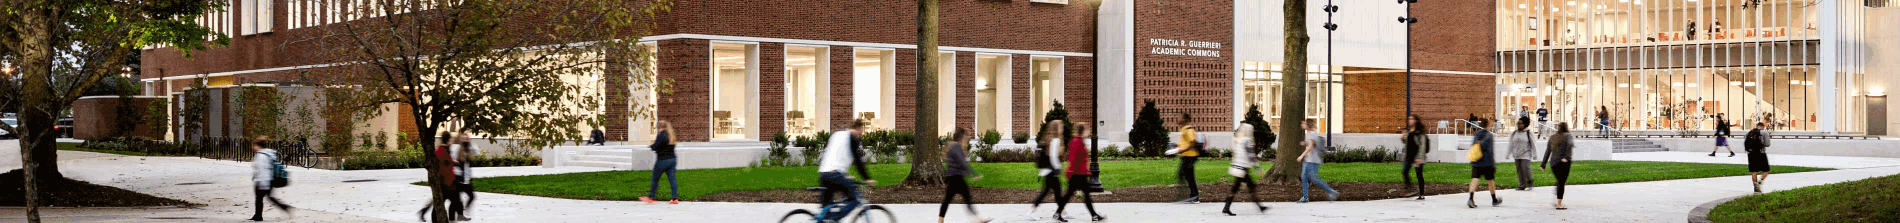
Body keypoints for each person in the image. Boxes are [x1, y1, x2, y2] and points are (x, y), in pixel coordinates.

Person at [816, 120, 875, 222]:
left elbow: (836, 156)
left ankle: (827, 219)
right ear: (858, 128)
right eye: (861, 132)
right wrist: (867, 178)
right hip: (835, 176)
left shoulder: (836, 135)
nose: (860, 135)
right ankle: (835, 219)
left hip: (824, 174)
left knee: (826, 210)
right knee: (854, 199)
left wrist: (845, 175)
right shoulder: (852, 137)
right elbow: (858, 161)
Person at [938, 127, 992, 223]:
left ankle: (940, 219)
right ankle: (978, 219)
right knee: (967, 198)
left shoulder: (952, 146)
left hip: (952, 177)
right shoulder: (956, 147)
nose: (966, 140)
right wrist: (973, 174)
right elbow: (962, 162)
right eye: (966, 138)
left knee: (948, 199)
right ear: (962, 137)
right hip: (957, 178)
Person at [1055, 123, 1106, 222]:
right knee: (1074, 195)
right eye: (1087, 130)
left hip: (1080, 173)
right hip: (1077, 174)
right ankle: (1094, 215)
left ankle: (1093, 215)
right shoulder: (1076, 141)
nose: (1088, 132)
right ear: (1082, 131)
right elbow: (1073, 158)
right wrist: (1070, 171)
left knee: (1074, 195)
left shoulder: (1079, 141)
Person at [1221, 123, 1268, 216]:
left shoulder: (1240, 140)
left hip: (1237, 168)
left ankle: (1226, 207)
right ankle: (1260, 206)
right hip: (1242, 169)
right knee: (1250, 188)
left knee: (1237, 188)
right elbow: (1251, 156)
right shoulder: (1247, 141)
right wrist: (1258, 168)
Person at [1027, 122, 1070, 220]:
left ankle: (1062, 212)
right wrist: (1058, 167)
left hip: (1046, 170)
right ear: (1057, 129)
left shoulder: (1047, 139)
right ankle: (1033, 211)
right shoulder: (1055, 140)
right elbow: (1053, 157)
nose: (1062, 129)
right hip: (1052, 171)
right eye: (1060, 127)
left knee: (1049, 192)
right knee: (1054, 192)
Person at [417, 132, 461, 221]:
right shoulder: (442, 150)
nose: (452, 142)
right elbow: (443, 163)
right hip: (446, 182)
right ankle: (447, 220)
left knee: (439, 201)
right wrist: (453, 162)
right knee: (448, 202)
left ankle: (424, 211)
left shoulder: (442, 149)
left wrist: (453, 162)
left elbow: (446, 161)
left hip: (446, 181)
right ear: (448, 140)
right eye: (451, 140)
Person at [250, 136, 295, 221]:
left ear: (258, 146)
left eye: (254, 146)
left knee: (260, 198)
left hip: (264, 180)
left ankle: (258, 216)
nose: (253, 148)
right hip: (268, 179)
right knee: (267, 197)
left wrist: (264, 184)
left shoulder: (261, 155)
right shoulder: (268, 153)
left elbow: (264, 170)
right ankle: (284, 207)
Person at [1296, 119, 1338, 203]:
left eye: (1304, 123)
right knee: (1304, 177)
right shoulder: (1310, 135)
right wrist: (1305, 144)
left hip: (1313, 160)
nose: (1302, 124)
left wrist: (1301, 155)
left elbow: (1311, 147)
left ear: (1308, 125)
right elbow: (1311, 145)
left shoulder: (1312, 135)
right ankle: (1305, 197)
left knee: (1314, 178)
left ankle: (1332, 191)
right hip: (1309, 160)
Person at [641, 121, 682, 204]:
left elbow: (655, 146)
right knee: (672, 179)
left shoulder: (661, 135)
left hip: (662, 160)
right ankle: (675, 198)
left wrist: (651, 146)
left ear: (659, 127)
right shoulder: (671, 135)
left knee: (655, 178)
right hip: (672, 160)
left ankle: (651, 197)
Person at [1466, 117, 1502, 208]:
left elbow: (1474, 146)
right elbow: (1490, 150)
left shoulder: (1476, 134)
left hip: (1477, 161)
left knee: (1475, 179)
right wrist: (1493, 163)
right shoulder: (1489, 136)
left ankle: (1471, 199)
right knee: (1490, 181)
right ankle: (1494, 199)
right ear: (1488, 125)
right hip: (1487, 162)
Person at [1168, 113, 1203, 203]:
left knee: (1187, 176)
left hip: (1190, 156)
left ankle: (1192, 197)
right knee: (1185, 175)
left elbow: (1193, 143)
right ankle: (1191, 196)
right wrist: (1176, 145)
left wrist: (1182, 150)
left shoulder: (1188, 129)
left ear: (1185, 119)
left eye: (1179, 117)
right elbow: (1185, 142)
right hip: (1186, 156)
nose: (1177, 119)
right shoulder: (1183, 129)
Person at [1540, 122, 1575, 210]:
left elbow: (1548, 151)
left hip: (1553, 163)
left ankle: (1557, 200)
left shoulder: (1553, 137)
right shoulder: (1568, 136)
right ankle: (1559, 204)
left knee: (1560, 181)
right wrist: (1566, 157)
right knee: (1561, 182)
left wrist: (1543, 164)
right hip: (1564, 162)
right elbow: (1569, 146)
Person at [1401, 114, 1432, 200]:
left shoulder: (1420, 132)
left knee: (1419, 175)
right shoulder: (1408, 131)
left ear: (1415, 121)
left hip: (1417, 157)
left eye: (1411, 119)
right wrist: (1402, 138)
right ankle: (1410, 189)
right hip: (1408, 156)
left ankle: (1421, 194)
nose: (1409, 121)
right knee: (1404, 172)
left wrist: (1420, 158)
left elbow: (1422, 146)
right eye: (1409, 119)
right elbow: (1406, 143)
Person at [450, 133, 478, 221]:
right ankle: (454, 218)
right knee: (456, 201)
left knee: (472, 196)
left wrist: (470, 142)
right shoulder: (456, 148)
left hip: (466, 180)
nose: (465, 139)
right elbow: (452, 160)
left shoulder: (468, 149)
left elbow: (477, 152)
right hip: (457, 179)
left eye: (467, 138)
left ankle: (461, 213)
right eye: (463, 138)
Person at [1509, 117, 1537, 191]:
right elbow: (1511, 144)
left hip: (1526, 153)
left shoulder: (1528, 133)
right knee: (1519, 170)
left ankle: (1530, 181)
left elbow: (1533, 144)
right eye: (1517, 123)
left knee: (1525, 168)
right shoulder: (1515, 133)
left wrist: (1535, 154)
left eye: (1520, 123)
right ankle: (1522, 185)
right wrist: (1508, 153)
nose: (1518, 125)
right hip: (1517, 154)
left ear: (1524, 124)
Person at [1745, 121, 1772, 193]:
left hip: (1751, 154)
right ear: (1763, 127)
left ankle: (1755, 185)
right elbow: (1768, 144)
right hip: (1761, 153)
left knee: (1754, 171)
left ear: (1757, 126)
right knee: (1766, 170)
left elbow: (1745, 143)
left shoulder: (1749, 132)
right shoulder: (1764, 132)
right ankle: (1760, 183)